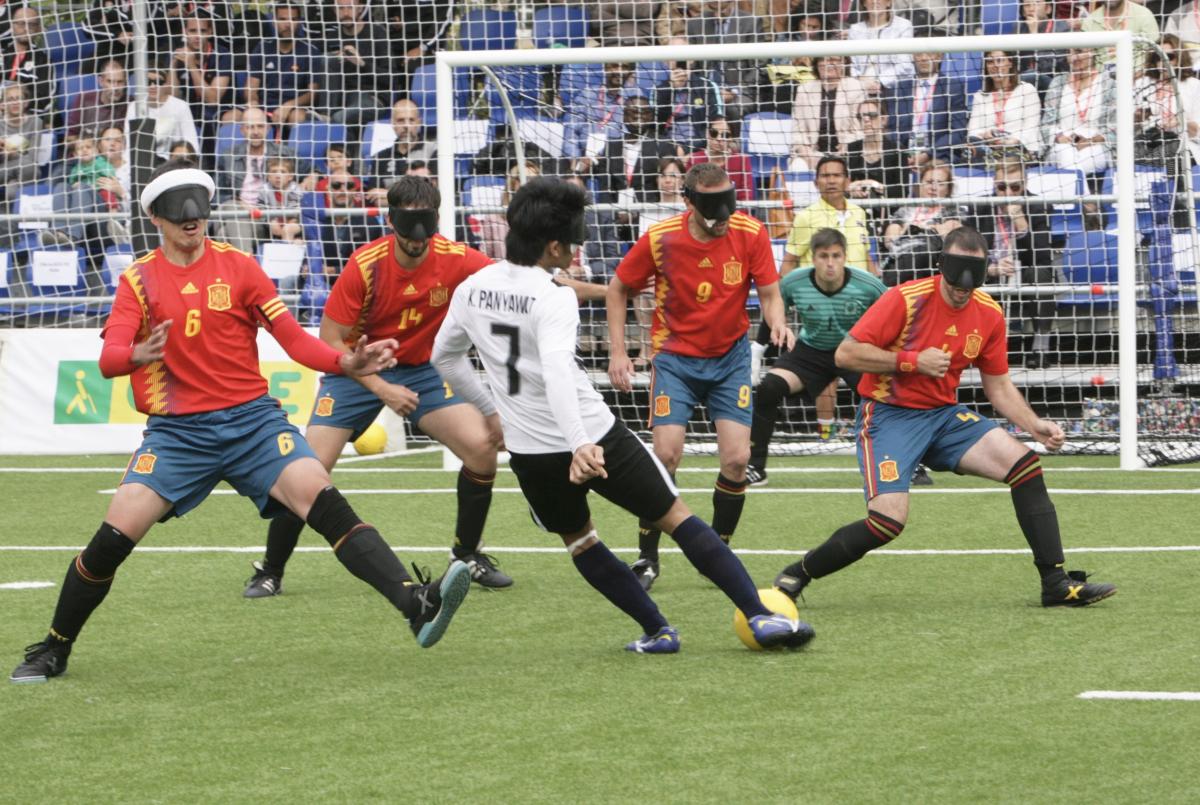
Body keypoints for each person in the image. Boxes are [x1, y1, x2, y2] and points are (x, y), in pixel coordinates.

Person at [9, 161, 472, 684]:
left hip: (253, 422)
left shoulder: (241, 268)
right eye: (179, 212)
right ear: (156, 218)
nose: (192, 220)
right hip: (178, 433)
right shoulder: (137, 281)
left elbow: (295, 340)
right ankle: (54, 647)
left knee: (322, 498)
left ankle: (416, 604)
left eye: (198, 210)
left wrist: (346, 363)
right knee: (113, 540)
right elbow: (109, 360)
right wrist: (138, 353)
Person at [431, 175, 814, 652]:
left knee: (582, 542)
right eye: (571, 245)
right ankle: (760, 616)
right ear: (552, 246)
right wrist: (579, 442)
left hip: (531, 453)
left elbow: (443, 358)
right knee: (676, 515)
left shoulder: (473, 287)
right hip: (593, 436)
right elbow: (555, 371)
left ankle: (658, 631)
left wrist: (492, 413)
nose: (574, 254)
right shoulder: (553, 294)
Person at [771, 226, 1117, 609]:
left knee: (1025, 466)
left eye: (972, 278)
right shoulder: (905, 299)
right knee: (887, 523)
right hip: (889, 417)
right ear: (941, 265)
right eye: (954, 276)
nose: (961, 287)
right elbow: (845, 355)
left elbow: (998, 387)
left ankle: (1055, 582)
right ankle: (799, 572)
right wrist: (911, 361)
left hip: (942, 417)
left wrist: (1033, 424)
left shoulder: (988, 314)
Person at [243, 175, 513, 598]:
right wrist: (380, 388)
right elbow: (331, 340)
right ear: (391, 223)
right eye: (409, 234)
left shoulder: (456, 257)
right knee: (306, 471)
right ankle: (270, 569)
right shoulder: (365, 266)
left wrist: (580, 289)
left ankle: (466, 555)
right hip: (355, 372)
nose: (418, 243)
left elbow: (516, 283)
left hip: (421, 371)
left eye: (426, 233)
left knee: (481, 448)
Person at [606, 163, 795, 590]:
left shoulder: (750, 232)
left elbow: (769, 292)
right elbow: (618, 289)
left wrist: (777, 322)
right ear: (689, 203)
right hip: (675, 360)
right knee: (666, 455)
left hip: (729, 359)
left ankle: (718, 550)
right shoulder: (660, 239)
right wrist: (619, 352)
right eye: (713, 207)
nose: (723, 216)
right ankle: (646, 557)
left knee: (737, 460)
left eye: (728, 202)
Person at [747, 228, 886, 486]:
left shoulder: (868, 285)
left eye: (836, 255)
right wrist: (758, 350)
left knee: (887, 398)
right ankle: (755, 467)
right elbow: (774, 305)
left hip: (854, 351)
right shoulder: (794, 281)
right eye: (823, 256)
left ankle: (906, 464)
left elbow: (893, 315)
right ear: (813, 257)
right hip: (810, 351)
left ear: (845, 257)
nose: (830, 263)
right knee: (769, 388)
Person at [966, 160, 1063, 370]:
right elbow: (969, 252)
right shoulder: (979, 207)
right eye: (1002, 187)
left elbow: (1042, 256)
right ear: (994, 185)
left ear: (1025, 184)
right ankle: (976, 351)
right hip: (991, 269)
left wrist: (1020, 220)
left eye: (1015, 187)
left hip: (1026, 268)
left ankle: (1041, 348)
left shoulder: (1039, 205)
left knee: (1041, 274)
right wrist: (991, 267)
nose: (1008, 192)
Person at [883, 33, 970, 168]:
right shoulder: (898, 89)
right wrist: (904, 154)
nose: (923, 58)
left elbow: (958, 132)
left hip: (940, 156)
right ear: (913, 57)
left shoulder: (953, 88)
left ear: (940, 56)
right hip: (904, 157)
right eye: (919, 53)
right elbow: (893, 130)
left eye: (929, 53)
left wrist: (928, 154)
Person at [781, 155, 877, 275]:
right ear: (816, 183)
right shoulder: (806, 217)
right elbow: (789, 261)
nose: (831, 181)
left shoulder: (859, 212)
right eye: (825, 176)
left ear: (847, 182)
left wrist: (878, 285)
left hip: (858, 292)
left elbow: (865, 254)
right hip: (819, 292)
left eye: (837, 175)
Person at [245, 2, 322, 130]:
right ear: (274, 21)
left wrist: (288, 105)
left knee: (297, 117)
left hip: (294, 108)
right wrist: (254, 102)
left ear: (299, 22)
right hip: (264, 107)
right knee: (231, 117)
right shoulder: (262, 48)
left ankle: (292, 150)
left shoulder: (310, 51)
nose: (288, 24)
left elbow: (312, 93)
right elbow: (251, 86)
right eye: (282, 19)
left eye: (293, 19)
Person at [790, 55, 868, 170]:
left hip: (846, 151)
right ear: (817, 64)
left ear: (844, 63)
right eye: (824, 59)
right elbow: (798, 130)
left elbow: (860, 129)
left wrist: (848, 146)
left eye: (835, 60)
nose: (830, 64)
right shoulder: (804, 90)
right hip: (813, 153)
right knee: (797, 166)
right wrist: (806, 153)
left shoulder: (856, 88)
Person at [966, 50, 1043, 163]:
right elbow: (973, 131)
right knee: (969, 150)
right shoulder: (980, 96)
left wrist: (1008, 141)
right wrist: (987, 137)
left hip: (1021, 149)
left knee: (1008, 157)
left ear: (1010, 63)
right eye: (990, 62)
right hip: (988, 149)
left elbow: (1030, 128)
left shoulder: (1027, 90)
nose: (996, 66)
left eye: (1000, 60)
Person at [365, 98, 436, 206]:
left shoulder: (434, 152)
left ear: (419, 122)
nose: (406, 126)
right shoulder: (381, 157)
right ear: (392, 124)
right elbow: (375, 198)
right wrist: (413, 196)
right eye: (401, 120)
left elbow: (434, 196)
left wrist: (389, 195)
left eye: (411, 120)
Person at [847, 0, 915, 96]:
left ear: (889, 3)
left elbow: (905, 66)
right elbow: (852, 65)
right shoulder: (855, 29)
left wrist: (880, 81)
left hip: (893, 88)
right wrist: (860, 81)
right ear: (864, 4)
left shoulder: (903, 26)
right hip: (860, 88)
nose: (875, 1)